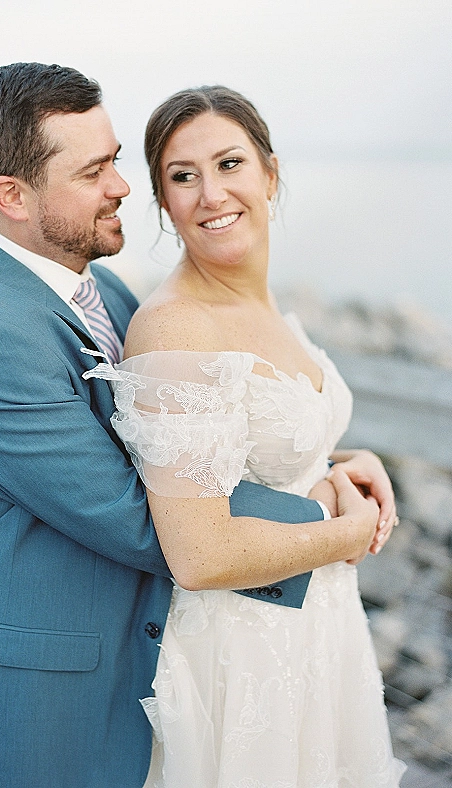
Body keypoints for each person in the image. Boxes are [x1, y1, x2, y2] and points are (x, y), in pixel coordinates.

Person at [0, 63, 393, 788]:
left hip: (140, 661)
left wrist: (335, 455)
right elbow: (147, 518)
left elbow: (179, 441)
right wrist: (331, 512)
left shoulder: (99, 285)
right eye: (94, 171)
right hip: (38, 703)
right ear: (12, 196)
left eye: (116, 160)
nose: (123, 186)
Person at [90, 86, 406, 786]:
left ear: (269, 174)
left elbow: (252, 458)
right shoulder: (178, 327)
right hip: (245, 655)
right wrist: (351, 534)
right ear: (164, 204)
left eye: (229, 163)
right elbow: (198, 554)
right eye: (183, 176)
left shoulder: (260, 304)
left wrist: (347, 460)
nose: (211, 193)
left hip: (319, 635)